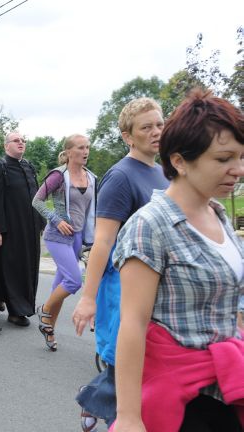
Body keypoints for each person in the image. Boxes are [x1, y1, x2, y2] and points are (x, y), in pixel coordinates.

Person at [110, 90, 244, 431]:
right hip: (183, 402)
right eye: (223, 159)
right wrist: (128, 417)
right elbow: (133, 324)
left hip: (227, 387)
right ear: (180, 161)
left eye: (241, 158)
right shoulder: (150, 225)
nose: (237, 170)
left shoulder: (217, 215)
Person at [71, 97, 168, 431]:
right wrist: (88, 298)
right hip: (123, 287)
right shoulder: (120, 177)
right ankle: (102, 404)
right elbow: (103, 241)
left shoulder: (163, 171)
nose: (156, 131)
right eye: (146, 127)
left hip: (157, 286)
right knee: (124, 367)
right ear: (128, 136)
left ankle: (98, 398)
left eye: (159, 124)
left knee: (147, 366)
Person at [32, 135, 97, 351]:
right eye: (80, 148)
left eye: (87, 147)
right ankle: (44, 310)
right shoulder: (58, 176)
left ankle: (48, 329)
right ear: (69, 152)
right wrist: (56, 219)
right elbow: (37, 201)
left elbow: (91, 211)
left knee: (59, 285)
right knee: (73, 281)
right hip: (57, 236)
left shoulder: (91, 178)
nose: (85, 151)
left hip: (78, 237)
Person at [0, 131, 44, 327]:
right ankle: (17, 312)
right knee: (13, 269)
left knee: (26, 268)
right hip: (9, 230)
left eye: (23, 140)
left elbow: (37, 198)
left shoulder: (28, 167)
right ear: (6, 146)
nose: (21, 143)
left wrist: (40, 223)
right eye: (16, 140)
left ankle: (0, 295)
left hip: (30, 229)